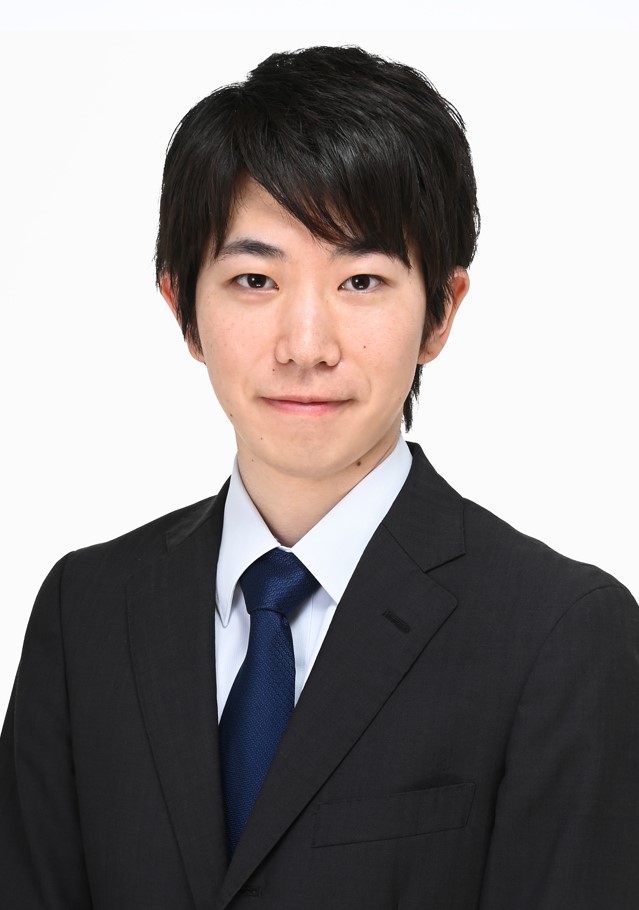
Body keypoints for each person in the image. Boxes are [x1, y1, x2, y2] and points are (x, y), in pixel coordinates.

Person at [1, 44, 638, 910]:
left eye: (361, 280)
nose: (306, 345)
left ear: (441, 312)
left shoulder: (558, 634)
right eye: (254, 279)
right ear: (183, 308)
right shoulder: (87, 612)